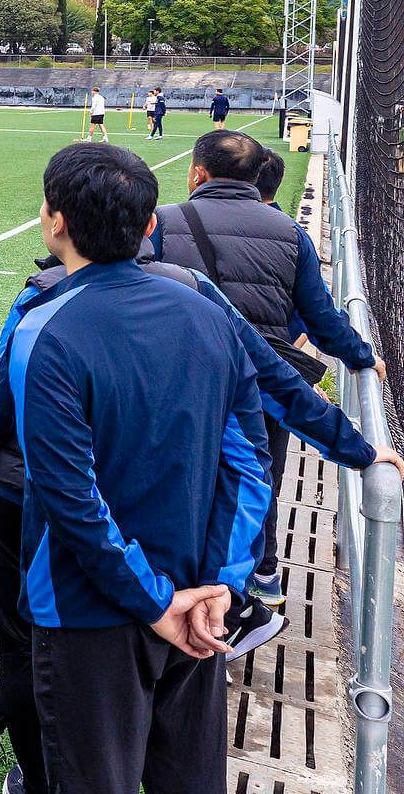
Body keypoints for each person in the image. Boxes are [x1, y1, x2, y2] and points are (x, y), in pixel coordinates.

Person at [0, 219, 402, 794]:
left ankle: (20, 759)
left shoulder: (42, 304)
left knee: (37, 652)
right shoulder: (197, 293)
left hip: (34, 506)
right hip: (168, 525)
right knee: (174, 713)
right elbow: (271, 389)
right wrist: (355, 449)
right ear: (150, 226)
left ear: (56, 222)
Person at [0, 143, 269, 790]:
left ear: (54, 221)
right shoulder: (209, 314)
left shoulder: (43, 329)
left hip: (90, 612)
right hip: (198, 603)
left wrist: (154, 601)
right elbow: (250, 465)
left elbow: (69, 495)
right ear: (149, 227)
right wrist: (222, 585)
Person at [151, 131, 385, 615]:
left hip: (180, 385)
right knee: (257, 481)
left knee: (181, 483)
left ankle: (183, 595)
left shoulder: (164, 222)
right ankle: (254, 585)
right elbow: (322, 319)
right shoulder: (291, 233)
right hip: (264, 387)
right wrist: (362, 357)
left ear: (197, 173)